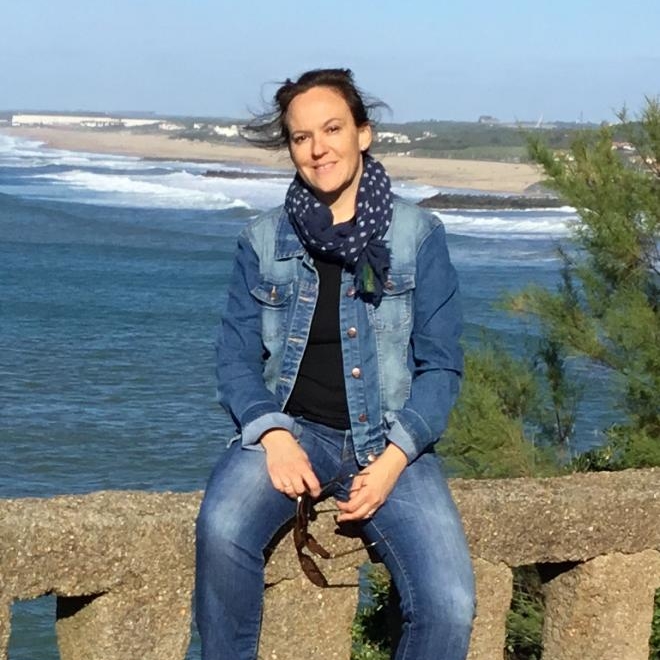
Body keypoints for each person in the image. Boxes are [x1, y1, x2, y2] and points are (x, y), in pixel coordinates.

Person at [195, 68, 475, 660]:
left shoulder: (418, 236)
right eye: (301, 137)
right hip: (295, 431)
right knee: (222, 530)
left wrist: (394, 459)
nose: (318, 149)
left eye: (332, 129)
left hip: (391, 440)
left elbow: (442, 366)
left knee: (448, 604)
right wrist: (273, 436)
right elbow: (235, 359)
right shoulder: (263, 240)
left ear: (362, 134)